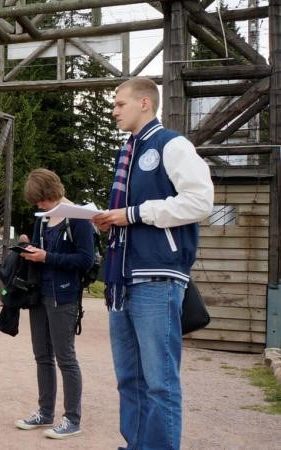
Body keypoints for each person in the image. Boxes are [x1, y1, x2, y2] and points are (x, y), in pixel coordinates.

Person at [92, 77, 214, 450]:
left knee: (159, 381)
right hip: (123, 277)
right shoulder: (127, 152)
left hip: (157, 277)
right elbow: (130, 213)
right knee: (129, 378)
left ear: (145, 103)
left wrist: (133, 214)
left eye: (119, 104)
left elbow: (200, 202)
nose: (113, 111)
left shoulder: (171, 144)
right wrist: (110, 218)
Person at [13, 168, 94, 440]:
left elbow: (85, 260)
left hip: (64, 296)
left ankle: (72, 419)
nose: (37, 205)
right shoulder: (43, 217)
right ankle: (45, 412)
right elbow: (40, 249)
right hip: (39, 295)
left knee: (66, 358)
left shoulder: (79, 217)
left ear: (51, 193)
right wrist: (28, 249)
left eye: (40, 200)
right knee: (42, 355)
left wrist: (47, 257)